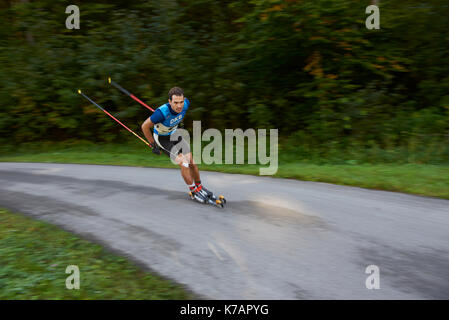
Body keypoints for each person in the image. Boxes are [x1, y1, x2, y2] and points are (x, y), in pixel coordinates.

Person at [141, 87, 212, 203]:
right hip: (162, 138)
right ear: (169, 102)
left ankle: (199, 187)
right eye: (175, 103)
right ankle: (193, 191)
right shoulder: (161, 113)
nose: (179, 106)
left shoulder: (186, 104)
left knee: (192, 162)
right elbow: (144, 126)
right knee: (184, 162)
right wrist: (152, 144)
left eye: (181, 102)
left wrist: (179, 123)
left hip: (174, 134)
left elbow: (180, 114)